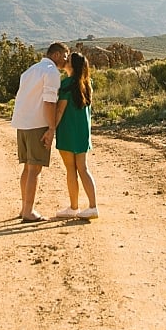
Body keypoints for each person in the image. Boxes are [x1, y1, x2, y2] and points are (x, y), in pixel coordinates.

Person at [11, 42, 68, 222]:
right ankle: (29, 211)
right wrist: (51, 128)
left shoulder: (30, 71)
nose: (66, 60)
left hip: (22, 123)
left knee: (28, 168)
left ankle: (24, 208)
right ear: (57, 55)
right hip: (37, 124)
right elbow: (49, 102)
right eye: (65, 56)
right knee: (35, 169)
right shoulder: (51, 72)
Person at [51, 51, 99, 219]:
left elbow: (60, 110)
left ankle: (74, 207)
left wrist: (51, 129)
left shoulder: (66, 84)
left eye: (68, 60)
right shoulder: (87, 83)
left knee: (71, 169)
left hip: (68, 131)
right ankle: (93, 206)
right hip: (82, 132)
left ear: (72, 65)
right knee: (83, 168)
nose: (65, 62)